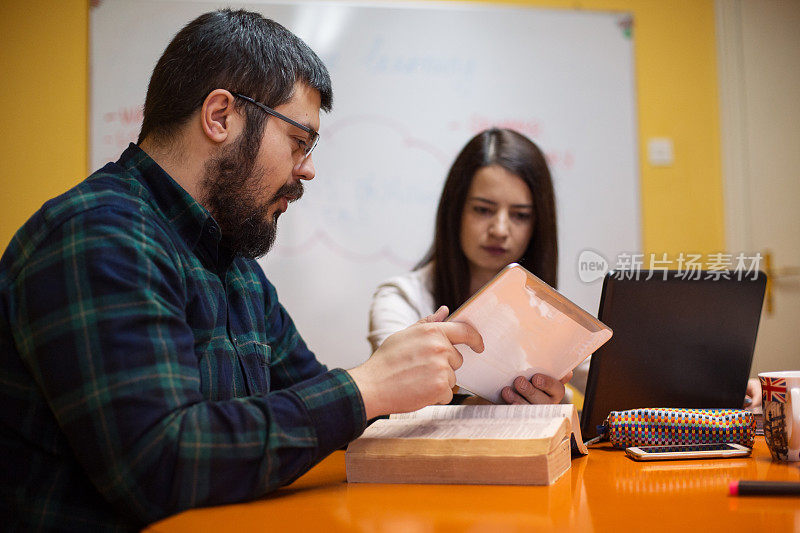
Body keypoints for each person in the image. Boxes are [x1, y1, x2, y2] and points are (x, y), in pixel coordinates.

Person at [0, 10, 484, 531]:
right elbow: (159, 466)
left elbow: (324, 405)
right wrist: (367, 386)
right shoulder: (98, 236)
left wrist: (464, 387)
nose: (308, 169)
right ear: (220, 117)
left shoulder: (235, 269)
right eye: (299, 141)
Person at [369, 128, 579, 405]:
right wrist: (485, 407)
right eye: (483, 209)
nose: (500, 229)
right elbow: (394, 399)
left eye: (520, 215)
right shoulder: (401, 299)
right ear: (455, 211)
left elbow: (598, 389)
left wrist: (559, 397)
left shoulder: (550, 312)